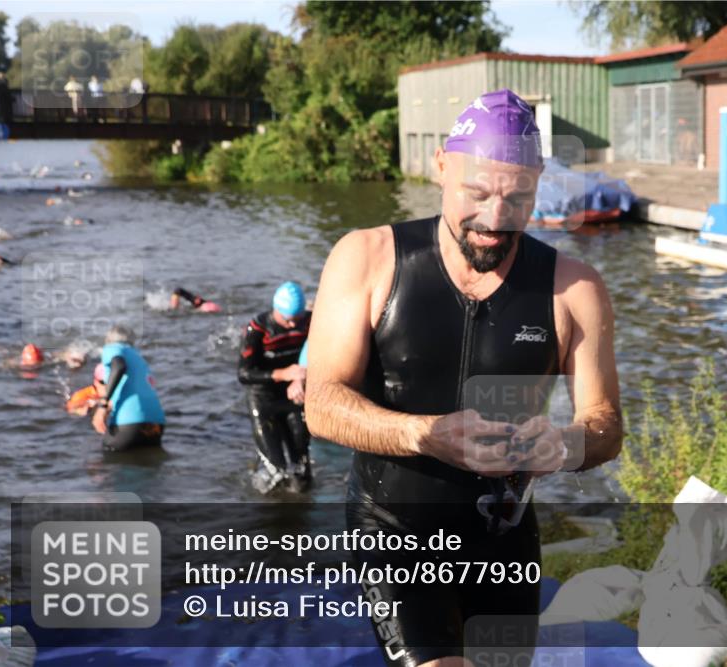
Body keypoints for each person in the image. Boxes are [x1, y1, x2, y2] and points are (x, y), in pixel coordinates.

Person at [304, 89, 622, 667]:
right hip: (391, 528)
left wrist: (563, 444)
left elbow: (605, 427)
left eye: (517, 198)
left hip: (504, 539)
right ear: (442, 168)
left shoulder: (575, 289)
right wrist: (426, 433)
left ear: (538, 181)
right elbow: (322, 403)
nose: (495, 220)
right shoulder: (367, 258)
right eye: (476, 194)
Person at [238, 281, 312, 493]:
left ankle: (303, 519)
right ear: (276, 310)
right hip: (263, 399)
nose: (292, 326)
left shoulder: (308, 322)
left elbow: (318, 354)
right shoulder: (258, 328)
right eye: (287, 321)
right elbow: (243, 374)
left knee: (302, 473)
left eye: (297, 320)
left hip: (294, 397)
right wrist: (284, 374)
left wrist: (300, 379)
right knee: (275, 472)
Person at [92, 325, 165, 451]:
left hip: (131, 421)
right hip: (157, 422)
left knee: (105, 462)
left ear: (109, 339)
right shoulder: (138, 357)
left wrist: (102, 405)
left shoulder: (112, 348)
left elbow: (119, 366)